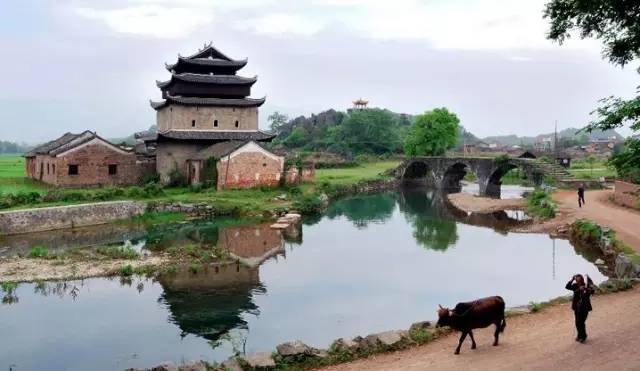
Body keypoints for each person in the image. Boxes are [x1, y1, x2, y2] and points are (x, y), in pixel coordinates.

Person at [565, 274, 595, 342]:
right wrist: (571, 280)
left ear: (581, 279)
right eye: (576, 279)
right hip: (576, 307)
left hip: (584, 307)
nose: (577, 280)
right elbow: (567, 287)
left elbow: (592, 291)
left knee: (581, 322)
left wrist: (588, 288)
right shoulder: (575, 285)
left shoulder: (586, 285)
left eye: (578, 278)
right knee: (577, 322)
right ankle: (579, 335)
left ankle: (583, 336)